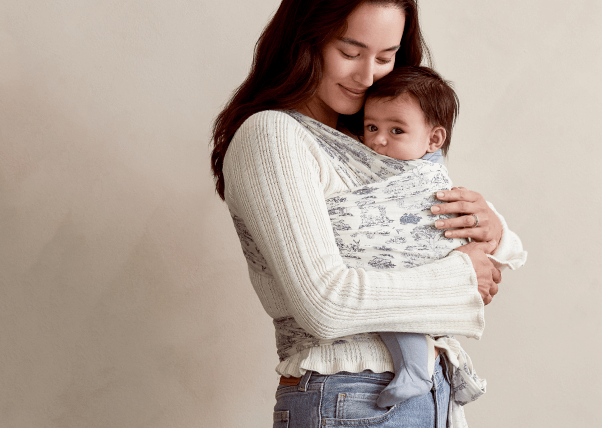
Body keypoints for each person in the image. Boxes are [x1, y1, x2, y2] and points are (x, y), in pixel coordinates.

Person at [211, 1, 507, 426]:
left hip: (433, 391)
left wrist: (485, 225)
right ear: (304, 42)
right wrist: (459, 278)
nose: (367, 76)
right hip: (351, 396)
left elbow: (415, 243)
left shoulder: (374, 138)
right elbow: (325, 304)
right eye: (350, 53)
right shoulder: (272, 136)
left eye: (385, 57)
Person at [343, 65, 527, 409]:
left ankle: (416, 368)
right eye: (371, 127)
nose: (378, 140)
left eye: (396, 130)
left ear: (434, 139)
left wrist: (492, 236)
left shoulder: (435, 183)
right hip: (406, 291)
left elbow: (497, 244)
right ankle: (417, 367)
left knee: (396, 301)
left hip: (426, 271)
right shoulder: (381, 161)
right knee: (392, 298)